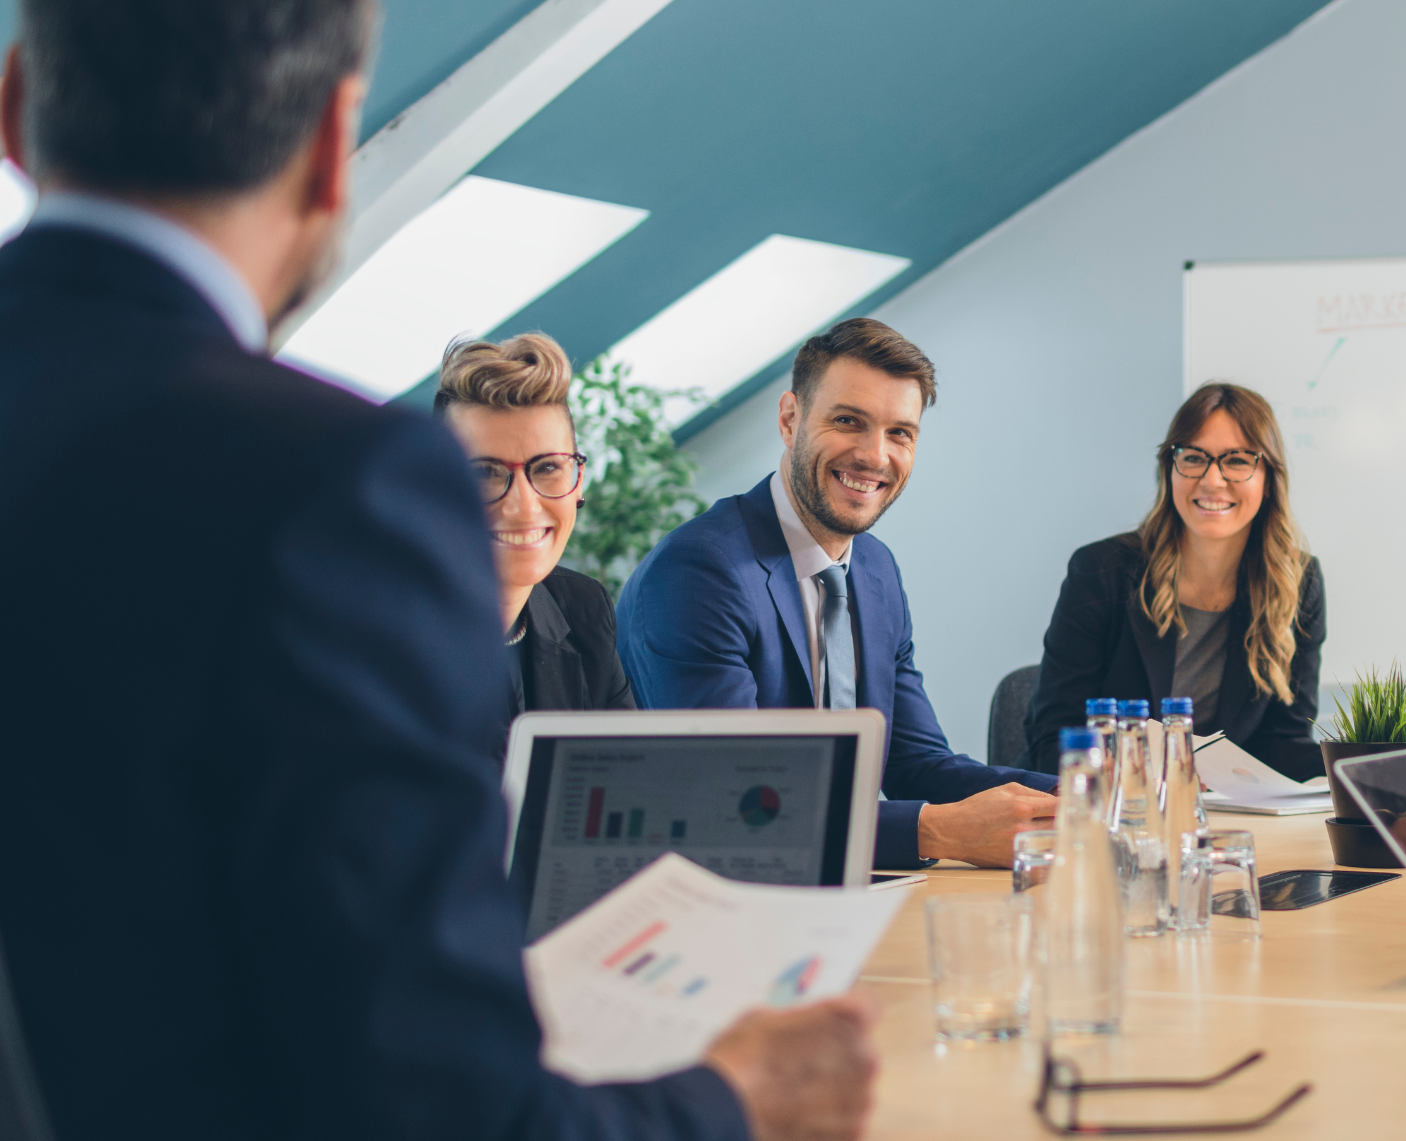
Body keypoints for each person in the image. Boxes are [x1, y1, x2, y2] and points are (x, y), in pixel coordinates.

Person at [0, 2, 875, 1137]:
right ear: (330, 150)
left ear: (16, 105)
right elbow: (440, 1105)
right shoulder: (326, 484)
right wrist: (734, 1099)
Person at [618, 317, 1058, 869]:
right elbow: (737, 802)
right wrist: (934, 832)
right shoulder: (702, 570)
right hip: (718, 893)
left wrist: (1089, 798)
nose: (875, 456)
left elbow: (915, 763)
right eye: (849, 421)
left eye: (900, 432)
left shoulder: (874, 569)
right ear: (789, 419)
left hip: (834, 883)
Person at [1026, 383, 1328, 779]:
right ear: (1169, 470)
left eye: (1237, 460)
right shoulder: (1101, 571)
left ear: (1269, 478)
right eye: (1193, 457)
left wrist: (1362, 766)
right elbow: (1054, 736)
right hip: (1110, 807)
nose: (1212, 480)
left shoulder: (1297, 582)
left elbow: (1283, 742)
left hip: (1223, 816)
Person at [434, 333, 636, 756]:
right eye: (485, 473)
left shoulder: (584, 609)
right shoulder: (382, 638)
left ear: (578, 480)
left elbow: (630, 782)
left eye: (547, 468)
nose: (523, 506)